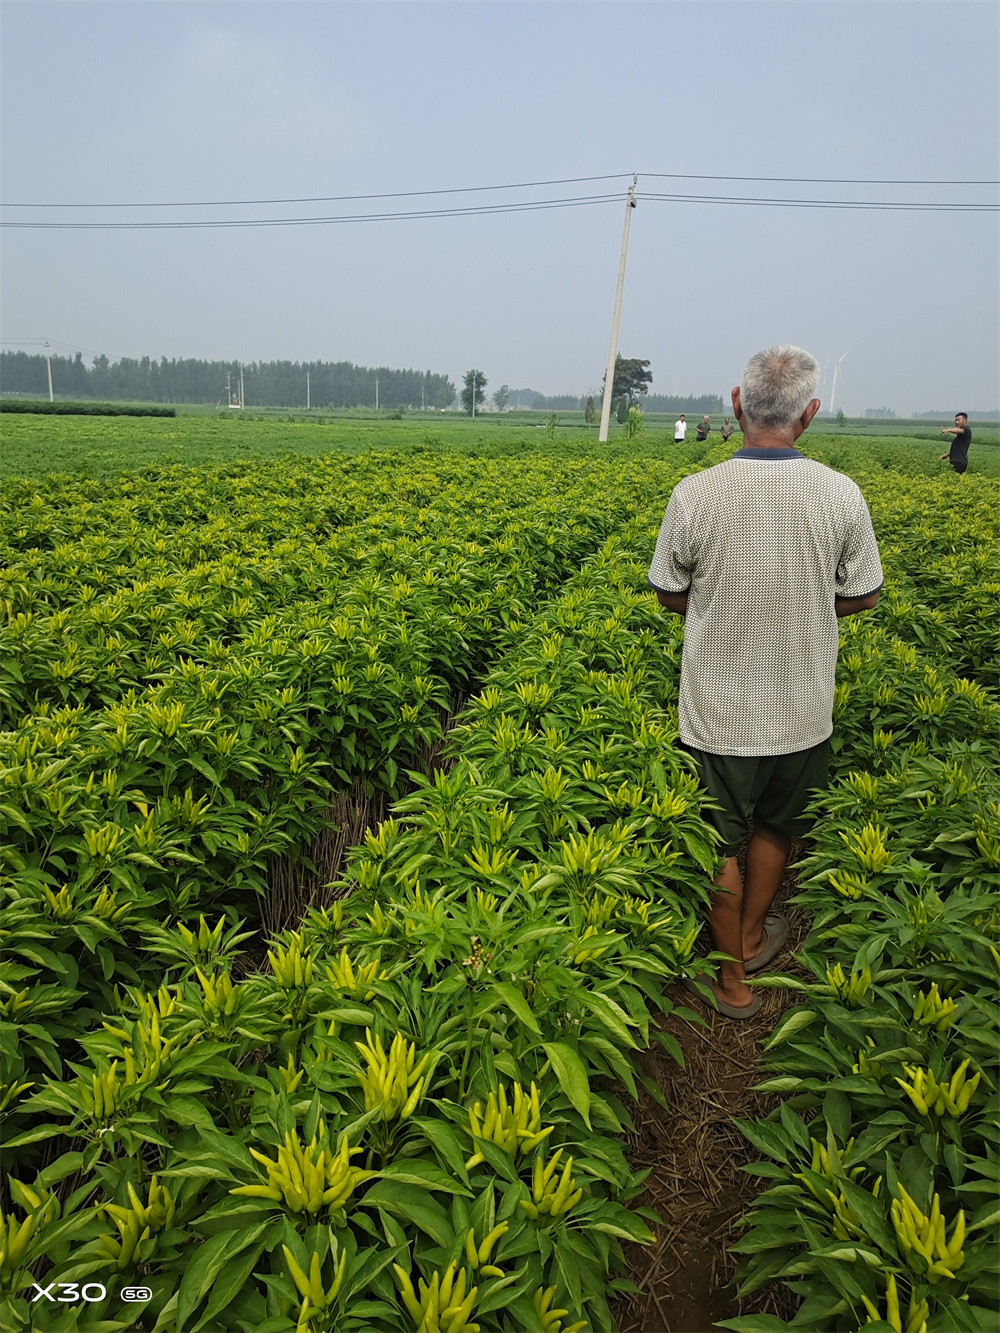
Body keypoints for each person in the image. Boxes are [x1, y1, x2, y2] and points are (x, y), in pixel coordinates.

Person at [647, 345, 883, 1019]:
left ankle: (731, 982)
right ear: (809, 414)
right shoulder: (842, 493)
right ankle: (752, 934)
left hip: (717, 710)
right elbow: (863, 595)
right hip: (803, 707)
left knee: (718, 839)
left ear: (736, 403)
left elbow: (668, 592)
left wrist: (722, 602)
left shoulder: (695, 493)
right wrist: (807, 601)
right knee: (777, 824)